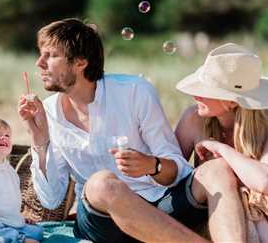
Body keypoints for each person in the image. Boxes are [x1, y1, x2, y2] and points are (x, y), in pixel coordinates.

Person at [18, 18, 248, 243]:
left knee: (217, 169)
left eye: (51, 55)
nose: (39, 62)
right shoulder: (48, 112)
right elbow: (50, 200)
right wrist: (39, 137)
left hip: (161, 205)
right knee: (101, 183)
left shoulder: (135, 92)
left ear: (80, 62)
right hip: (104, 222)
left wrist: (151, 165)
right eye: (41, 54)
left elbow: (176, 170)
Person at [175, 42, 268, 243]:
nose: (195, 94)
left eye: (205, 89)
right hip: (216, 210)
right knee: (246, 196)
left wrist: (220, 148)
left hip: (263, 210)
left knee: (258, 195)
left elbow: (265, 182)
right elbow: (172, 176)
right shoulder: (193, 119)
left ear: (232, 101)